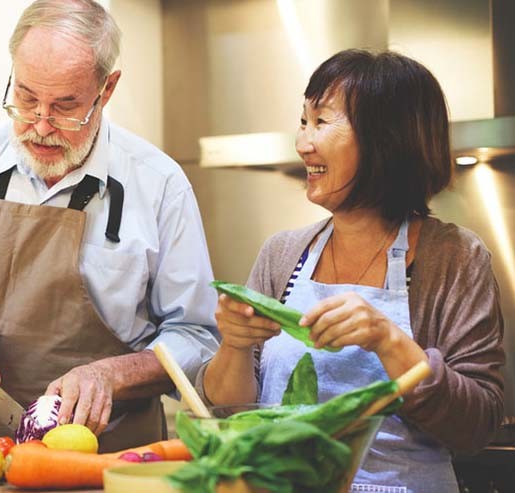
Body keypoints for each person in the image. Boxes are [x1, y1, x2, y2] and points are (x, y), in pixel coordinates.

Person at [0, 0, 219, 452]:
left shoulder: (159, 185)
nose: (41, 125)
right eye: (27, 98)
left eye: (65, 106)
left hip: (109, 461)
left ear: (107, 89)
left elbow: (197, 336)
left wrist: (112, 375)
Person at [198, 49, 505, 492]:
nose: (303, 143)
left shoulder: (455, 257)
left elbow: (477, 426)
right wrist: (235, 344)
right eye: (303, 122)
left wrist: (388, 340)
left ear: (385, 139)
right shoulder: (283, 253)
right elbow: (232, 411)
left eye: (321, 122)